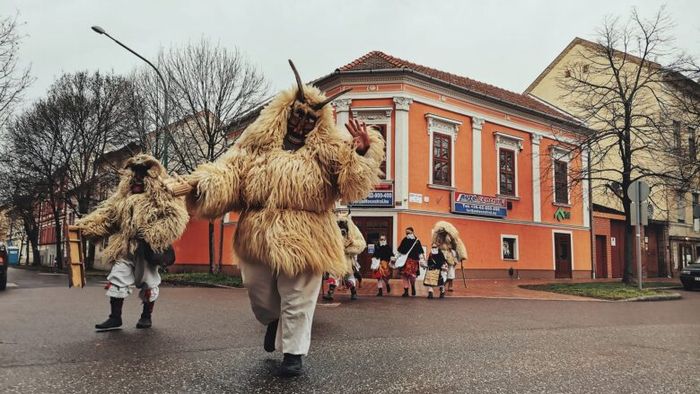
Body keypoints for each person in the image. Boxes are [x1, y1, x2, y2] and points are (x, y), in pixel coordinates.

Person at [179, 60, 385, 376]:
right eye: (299, 114)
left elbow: (352, 184)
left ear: (320, 122)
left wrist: (359, 152)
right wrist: (202, 182)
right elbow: (229, 172)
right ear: (287, 111)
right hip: (257, 232)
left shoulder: (328, 153)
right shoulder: (256, 146)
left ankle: (294, 355)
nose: (303, 122)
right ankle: (272, 321)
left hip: (308, 234)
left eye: (312, 118)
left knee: (299, 297)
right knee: (260, 295)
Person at [72, 155, 188, 331]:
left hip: (148, 249)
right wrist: (85, 228)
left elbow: (174, 218)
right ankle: (115, 317)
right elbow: (106, 218)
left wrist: (152, 234)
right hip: (125, 247)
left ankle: (146, 316)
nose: (138, 179)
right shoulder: (121, 201)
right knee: (118, 278)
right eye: (135, 174)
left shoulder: (162, 198)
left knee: (149, 282)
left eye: (143, 175)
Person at [323, 213, 366, 301]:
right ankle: (330, 293)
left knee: (349, 275)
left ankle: (353, 292)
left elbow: (361, 243)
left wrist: (351, 244)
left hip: (347, 258)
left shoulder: (353, 231)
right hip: (337, 256)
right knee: (334, 274)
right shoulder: (333, 230)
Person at [431, 221, 467, 292]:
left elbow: (458, 245)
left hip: (449, 254)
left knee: (451, 270)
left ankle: (450, 285)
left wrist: (461, 255)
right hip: (440, 254)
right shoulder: (437, 236)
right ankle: (442, 283)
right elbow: (433, 244)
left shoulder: (451, 237)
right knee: (441, 269)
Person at [396, 227, 423, 297]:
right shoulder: (404, 240)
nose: (408, 234)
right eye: (406, 233)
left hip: (414, 261)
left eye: (409, 233)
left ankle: (413, 286)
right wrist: (396, 257)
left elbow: (420, 252)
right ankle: (406, 291)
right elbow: (400, 250)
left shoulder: (417, 241)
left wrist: (422, 259)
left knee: (412, 277)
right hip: (405, 261)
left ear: (413, 232)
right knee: (404, 276)